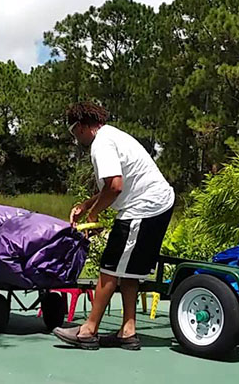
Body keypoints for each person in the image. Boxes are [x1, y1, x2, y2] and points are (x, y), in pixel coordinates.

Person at [53, 102, 175, 350]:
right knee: (128, 270)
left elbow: (115, 186)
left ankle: (88, 330)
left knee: (109, 267)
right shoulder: (112, 135)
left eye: (73, 131)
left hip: (144, 207)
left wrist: (93, 216)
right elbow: (112, 188)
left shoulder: (102, 144)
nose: (75, 138)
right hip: (156, 204)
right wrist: (87, 205)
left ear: (83, 126)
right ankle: (127, 331)